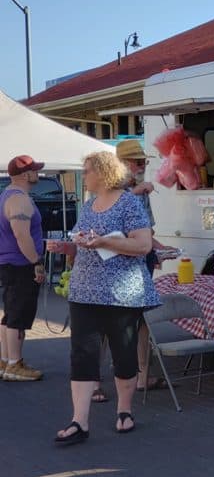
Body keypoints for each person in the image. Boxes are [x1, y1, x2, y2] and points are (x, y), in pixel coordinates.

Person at [47, 151, 160, 446]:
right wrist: (67, 247)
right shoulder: (88, 205)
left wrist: (105, 240)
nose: (84, 176)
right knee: (82, 354)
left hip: (121, 294)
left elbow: (144, 245)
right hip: (84, 291)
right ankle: (79, 421)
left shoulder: (129, 203)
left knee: (124, 354)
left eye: (87, 171)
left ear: (103, 172)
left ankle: (124, 411)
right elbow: (83, 241)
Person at [115, 139, 174, 394]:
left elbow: (147, 232)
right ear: (120, 165)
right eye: (137, 162)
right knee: (111, 324)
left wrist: (160, 248)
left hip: (142, 263)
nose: (141, 166)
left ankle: (142, 376)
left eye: (143, 162)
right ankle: (95, 383)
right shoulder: (105, 189)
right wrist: (134, 193)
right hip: (118, 266)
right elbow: (109, 229)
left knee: (142, 321)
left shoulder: (142, 191)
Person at [0, 155, 46, 382]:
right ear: (26, 174)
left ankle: (7, 361)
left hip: (12, 264)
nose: (38, 173)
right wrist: (36, 262)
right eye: (35, 170)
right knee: (18, 314)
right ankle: (14, 364)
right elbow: (21, 235)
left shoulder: (10, 196)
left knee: (11, 314)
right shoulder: (19, 200)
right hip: (20, 264)